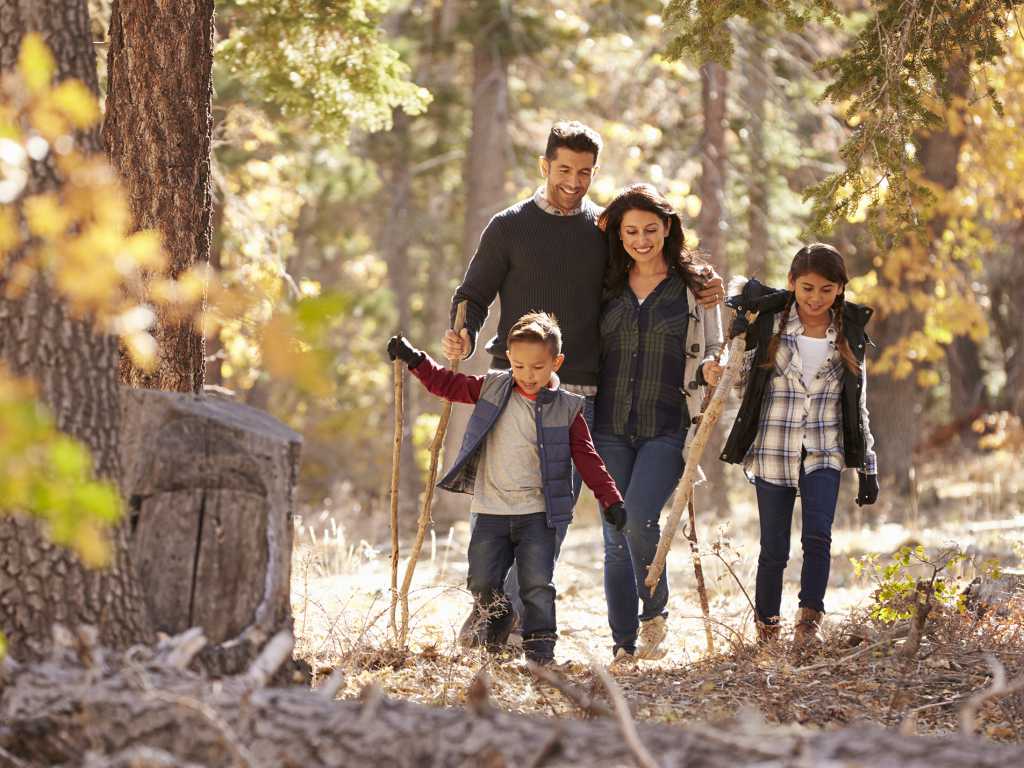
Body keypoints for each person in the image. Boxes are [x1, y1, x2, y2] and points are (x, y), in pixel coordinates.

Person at [443, 121, 726, 639]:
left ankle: (511, 618)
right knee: (506, 502)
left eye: (586, 172)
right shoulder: (508, 226)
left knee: (555, 511)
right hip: (515, 386)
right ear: (544, 165)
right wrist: (461, 331)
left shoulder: (602, 229)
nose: (574, 181)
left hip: (582, 395)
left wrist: (703, 281)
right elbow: (474, 294)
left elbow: (652, 265)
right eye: (565, 169)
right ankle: (491, 612)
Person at [388, 312, 625, 665]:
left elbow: (587, 457)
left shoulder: (567, 408)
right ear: (509, 361)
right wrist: (415, 360)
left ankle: (540, 652)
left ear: (556, 362)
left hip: (538, 515)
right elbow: (447, 385)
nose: (528, 376)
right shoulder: (493, 388)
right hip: (490, 511)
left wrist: (610, 498)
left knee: (537, 586)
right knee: (481, 580)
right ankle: (498, 617)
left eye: (538, 367)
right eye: (519, 366)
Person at [720, 244, 880, 648]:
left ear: (841, 289)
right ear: (792, 283)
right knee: (773, 547)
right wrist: (735, 343)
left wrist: (868, 466)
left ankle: (809, 621)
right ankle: (767, 628)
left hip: (825, 450)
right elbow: (739, 386)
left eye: (827, 289)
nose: (815, 298)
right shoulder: (770, 324)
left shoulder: (849, 334)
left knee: (818, 538)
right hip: (774, 448)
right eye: (807, 287)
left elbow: (857, 403)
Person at [592, 184, 724, 662]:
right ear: (620, 235)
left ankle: (654, 612)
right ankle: (623, 644)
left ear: (667, 228)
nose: (641, 239)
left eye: (650, 229)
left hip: (668, 426)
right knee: (613, 535)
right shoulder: (605, 283)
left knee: (639, 519)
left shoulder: (695, 287)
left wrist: (714, 367)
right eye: (631, 231)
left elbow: (716, 347)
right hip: (607, 427)